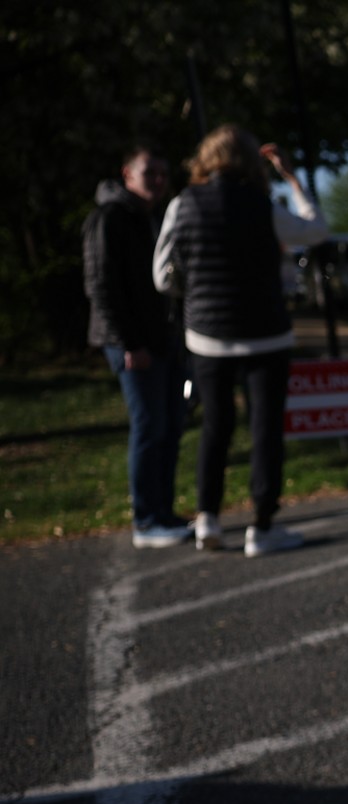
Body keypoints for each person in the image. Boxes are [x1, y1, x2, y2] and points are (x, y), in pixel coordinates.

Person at [153, 125, 329, 557]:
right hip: (266, 335)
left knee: (216, 428)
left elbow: (161, 276)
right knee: (265, 430)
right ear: (251, 161)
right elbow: (316, 229)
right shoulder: (262, 205)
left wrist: (195, 294)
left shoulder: (182, 204)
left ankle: (208, 520)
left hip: (208, 337)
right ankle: (262, 526)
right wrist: (290, 177)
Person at [85, 146, 188, 548]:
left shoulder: (155, 218)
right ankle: (146, 521)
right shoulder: (109, 218)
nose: (158, 180)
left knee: (170, 426)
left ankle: (164, 513)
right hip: (131, 344)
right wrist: (130, 343)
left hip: (163, 342)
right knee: (149, 427)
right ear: (127, 174)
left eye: (164, 173)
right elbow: (100, 287)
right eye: (150, 173)